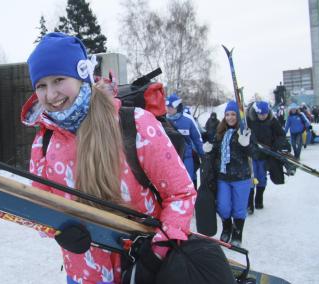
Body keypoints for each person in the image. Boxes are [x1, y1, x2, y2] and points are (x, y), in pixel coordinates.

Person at [21, 32, 197, 284]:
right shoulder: (43, 141)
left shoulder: (135, 124)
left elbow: (181, 194)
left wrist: (157, 252)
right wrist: (57, 230)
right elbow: (41, 207)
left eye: (59, 80)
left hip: (142, 271)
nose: (51, 95)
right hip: (83, 275)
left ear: (82, 76)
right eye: (41, 85)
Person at [203, 101, 253, 247]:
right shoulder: (220, 132)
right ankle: (227, 228)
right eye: (227, 114)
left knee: (239, 208)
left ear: (238, 116)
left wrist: (246, 143)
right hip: (223, 177)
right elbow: (214, 153)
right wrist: (208, 149)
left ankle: (237, 234)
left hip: (241, 177)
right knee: (223, 206)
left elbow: (254, 153)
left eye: (233, 114)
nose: (230, 117)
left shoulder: (245, 131)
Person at [246, 101, 286, 213]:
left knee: (261, 177)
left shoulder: (272, 121)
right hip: (252, 154)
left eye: (265, 114)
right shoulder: (249, 120)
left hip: (265, 155)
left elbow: (281, 135)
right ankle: (249, 204)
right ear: (256, 113)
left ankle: (259, 198)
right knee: (251, 178)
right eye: (261, 114)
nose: (263, 116)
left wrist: (275, 146)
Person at [166, 93, 205, 190]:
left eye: (171, 107)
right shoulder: (163, 120)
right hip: (169, 157)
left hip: (186, 157)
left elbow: (197, 139)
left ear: (178, 107)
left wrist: (203, 156)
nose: (169, 109)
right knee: (171, 183)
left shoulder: (187, 120)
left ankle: (191, 202)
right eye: (167, 107)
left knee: (189, 181)